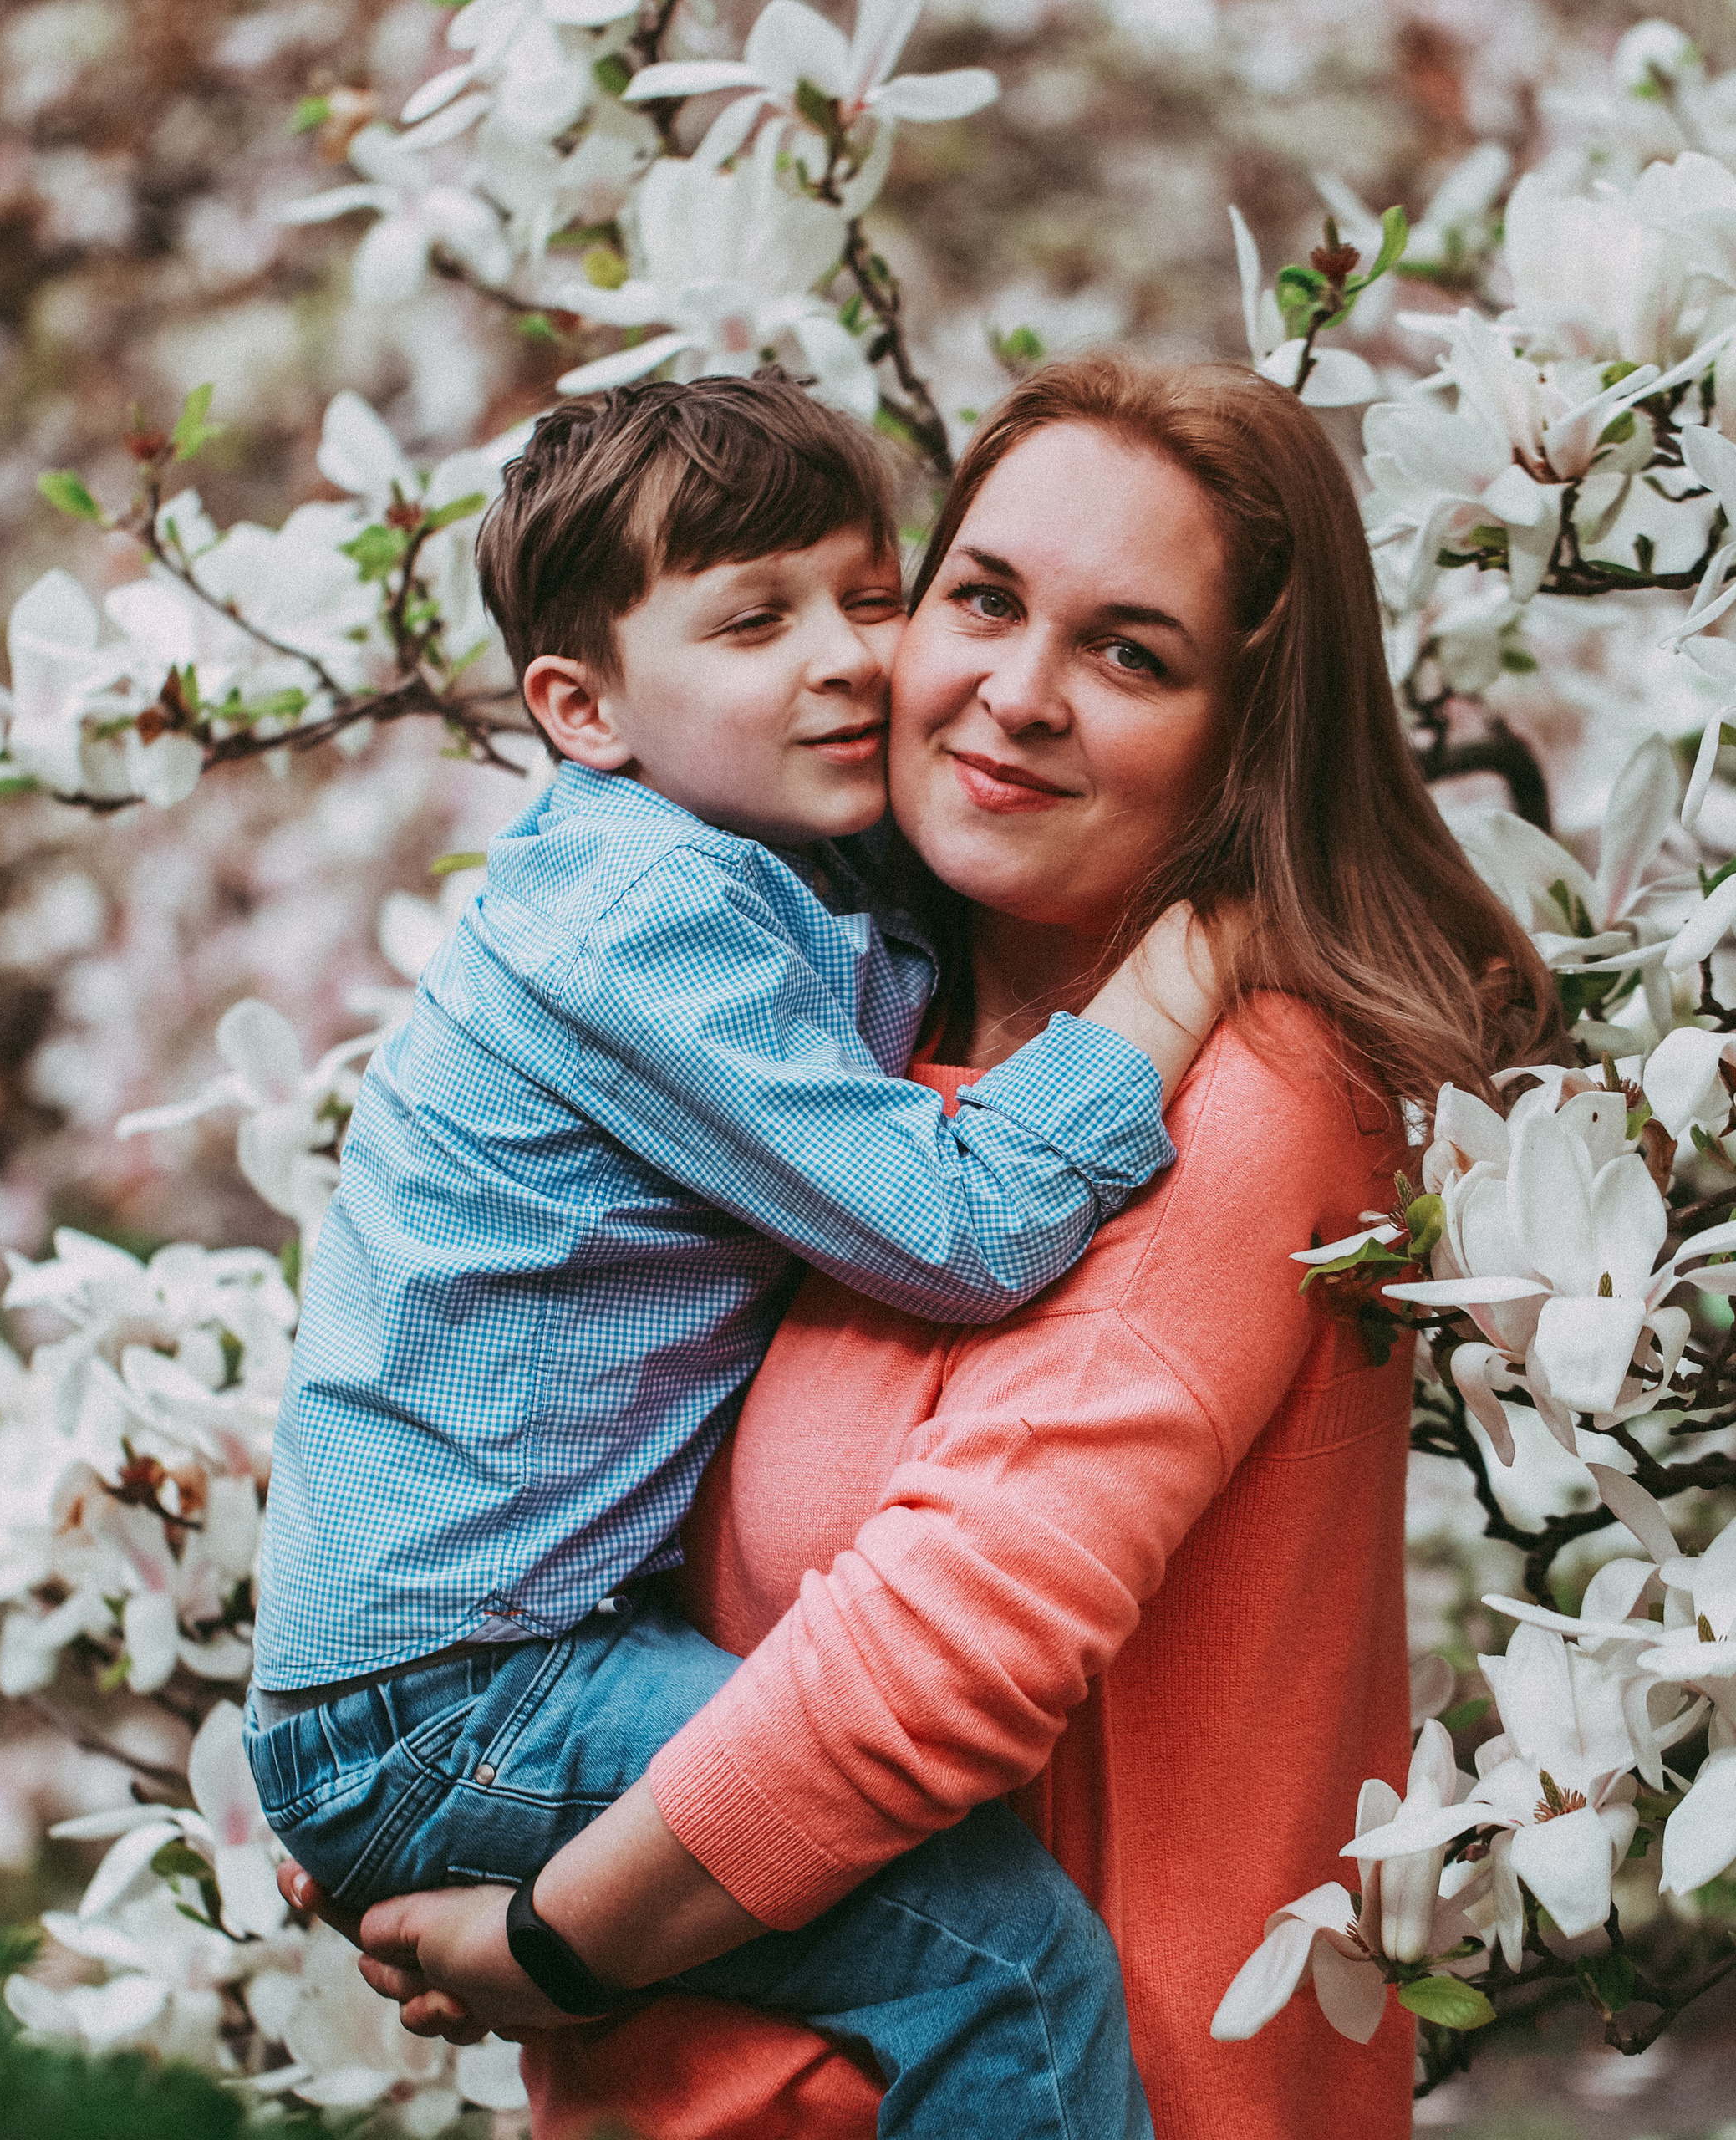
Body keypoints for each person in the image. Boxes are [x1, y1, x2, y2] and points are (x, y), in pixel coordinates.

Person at [323, 354, 1566, 2140]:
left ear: (1244, 733)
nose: (1015, 691)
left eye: (1129, 653)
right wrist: (440, 1781)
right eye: (978, 600)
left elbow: (934, 1655)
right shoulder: (823, 1057)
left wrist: (552, 1933)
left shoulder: (1243, 1099)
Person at [247, 374, 1235, 2135]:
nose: (849, 656)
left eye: (872, 592)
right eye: (755, 620)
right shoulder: (642, 915)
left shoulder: (771, 853)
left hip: (469, 1664)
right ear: (583, 706)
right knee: (1005, 1961)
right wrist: (1180, 977)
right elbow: (960, 1227)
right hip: (453, 1692)